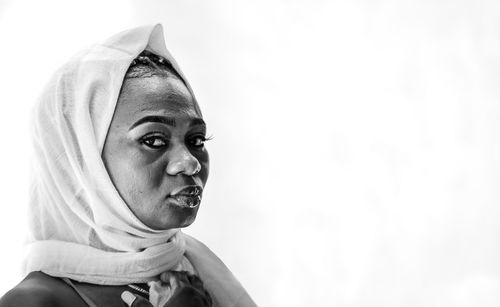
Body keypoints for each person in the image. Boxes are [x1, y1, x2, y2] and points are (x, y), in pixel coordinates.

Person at [0, 24, 256, 307]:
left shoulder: (191, 270)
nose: (190, 163)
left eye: (196, 139)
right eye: (154, 140)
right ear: (84, 160)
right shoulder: (34, 302)